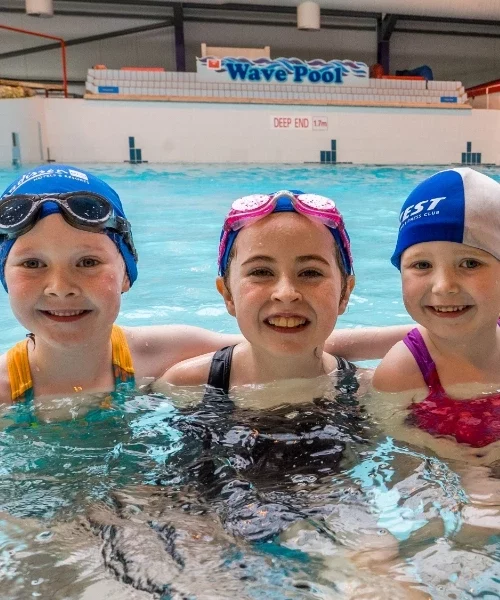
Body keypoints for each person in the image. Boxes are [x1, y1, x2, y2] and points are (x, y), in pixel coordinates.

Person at [0, 166, 409, 407]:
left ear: (126, 274)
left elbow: (277, 345)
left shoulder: (161, 354)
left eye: (88, 262)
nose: (61, 287)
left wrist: (435, 337)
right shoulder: (5, 390)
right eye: (32, 264)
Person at [373, 167, 500, 454]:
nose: (443, 287)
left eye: (469, 263)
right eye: (422, 265)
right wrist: (455, 458)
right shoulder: (403, 372)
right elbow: (396, 450)